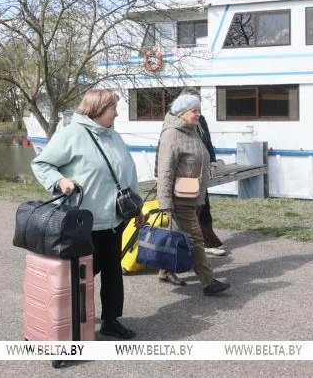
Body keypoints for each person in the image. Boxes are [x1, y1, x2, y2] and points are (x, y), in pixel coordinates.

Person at [32, 88, 140, 340]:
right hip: (83, 221)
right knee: (81, 276)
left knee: (113, 272)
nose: (116, 113)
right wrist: (60, 181)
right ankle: (71, 323)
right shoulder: (71, 134)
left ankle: (111, 320)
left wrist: (138, 208)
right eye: (113, 108)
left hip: (114, 219)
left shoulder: (113, 136)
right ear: (97, 109)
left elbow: (129, 171)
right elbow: (41, 163)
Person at [154, 92, 230, 296]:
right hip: (180, 198)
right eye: (194, 111)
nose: (198, 114)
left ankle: (164, 271)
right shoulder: (172, 134)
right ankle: (208, 282)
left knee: (177, 235)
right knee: (196, 238)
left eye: (199, 110)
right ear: (182, 113)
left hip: (192, 194)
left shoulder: (191, 130)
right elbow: (165, 171)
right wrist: (165, 204)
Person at [195, 112, 227, 256]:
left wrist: (212, 162)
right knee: (189, 212)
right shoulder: (176, 122)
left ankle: (208, 242)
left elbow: (208, 142)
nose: (197, 112)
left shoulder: (201, 120)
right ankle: (190, 246)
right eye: (193, 109)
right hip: (185, 174)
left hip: (201, 172)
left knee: (204, 207)